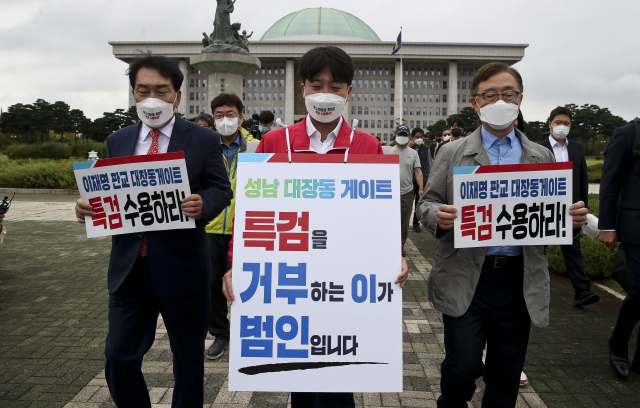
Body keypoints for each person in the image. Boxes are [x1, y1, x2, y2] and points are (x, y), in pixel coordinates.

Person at [222, 45, 409, 408]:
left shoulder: (367, 146)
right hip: (292, 272)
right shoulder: (274, 144)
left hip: (343, 275)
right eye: (316, 84)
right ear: (303, 89)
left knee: (340, 368)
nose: (326, 94)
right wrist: (236, 262)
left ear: (349, 92)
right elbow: (251, 209)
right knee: (302, 371)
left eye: (336, 86)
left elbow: (381, 216)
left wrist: (395, 255)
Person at [417, 62, 587, 407]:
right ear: (475, 101)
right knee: (462, 366)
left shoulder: (540, 156)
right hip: (466, 274)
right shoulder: (452, 153)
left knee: (505, 373)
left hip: (518, 279)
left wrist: (571, 218)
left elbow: (552, 213)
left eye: (507, 94)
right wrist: (438, 215)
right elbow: (427, 204)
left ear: (520, 99)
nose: (500, 101)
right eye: (490, 94)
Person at [75, 55, 232, 408]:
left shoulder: (203, 139)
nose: (152, 99)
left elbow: (221, 190)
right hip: (130, 272)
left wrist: (201, 205)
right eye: (143, 90)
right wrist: (87, 207)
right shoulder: (118, 140)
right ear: (133, 93)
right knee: (118, 358)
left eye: (162, 91)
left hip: (182, 269)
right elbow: (109, 194)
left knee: (188, 364)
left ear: (177, 95)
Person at [205, 93, 257, 360]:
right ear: (213, 118)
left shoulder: (257, 147)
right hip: (211, 227)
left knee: (247, 281)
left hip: (248, 228)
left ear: (241, 115)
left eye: (231, 114)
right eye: (219, 115)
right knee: (213, 284)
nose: (225, 119)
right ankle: (220, 333)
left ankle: (249, 332)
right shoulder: (203, 147)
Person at [539, 106, 598, 308]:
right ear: (550, 123)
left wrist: (585, 210)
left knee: (573, 249)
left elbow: (582, 179)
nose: (562, 126)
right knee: (538, 249)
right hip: (545, 208)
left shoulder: (577, 148)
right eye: (558, 122)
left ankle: (582, 291)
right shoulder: (539, 148)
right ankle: (532, 288)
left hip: (571, 209)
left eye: (566, 123)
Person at [599, 119, 640, 378]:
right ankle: (619, 342)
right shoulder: (629, 134)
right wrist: (607, 226)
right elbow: (610, 182)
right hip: (635, 226)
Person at [393, 124, 424, 249]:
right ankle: (389, 246)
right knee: (391, 220)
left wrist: (421, 188)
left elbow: (418, 171)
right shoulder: (389, 151)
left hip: (407, 192)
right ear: (395, 135)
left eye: (404, 135)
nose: (402, 137)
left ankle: (401, 246)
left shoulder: (413, 153)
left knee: (404, 221)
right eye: (400, 134)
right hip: (390, 192)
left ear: (409, 137)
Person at [408, 127, 431, 232]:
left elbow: (429, 163)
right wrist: (408, 145)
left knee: (419, 201)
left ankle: (415, 222)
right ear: (412, 137)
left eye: (421, 137)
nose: (419, 139)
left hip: (422, 180)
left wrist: (429, 176)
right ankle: (405, 222)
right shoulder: (408, 148)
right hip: (409, 180)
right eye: (417, 137)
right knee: (408, 202)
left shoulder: (426, 148)